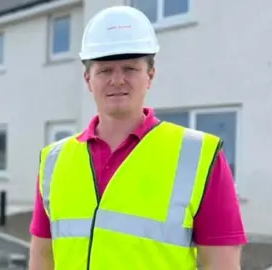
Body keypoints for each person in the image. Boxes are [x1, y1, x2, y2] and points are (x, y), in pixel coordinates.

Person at [29, 5, 247, 270]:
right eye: (105, 70)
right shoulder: (54, 160)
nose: (117, 80)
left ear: (150, 76)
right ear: (88, 80)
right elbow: (42, 257)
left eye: (130, 68)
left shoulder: (199, 156)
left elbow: (222, 266)